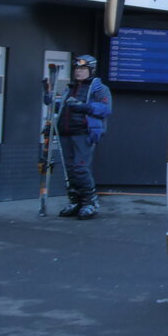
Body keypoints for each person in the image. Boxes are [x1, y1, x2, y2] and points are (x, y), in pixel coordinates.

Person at [44, 55, 112, 219]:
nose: (79, 72)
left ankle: (90, 202)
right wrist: (49, 99)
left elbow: (105, 109)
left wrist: (84, 106)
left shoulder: (98, 88)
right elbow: (62, 107)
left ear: (91, 70)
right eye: (77, 69)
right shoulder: (70, 88)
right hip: (66, 132)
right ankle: (75, 200)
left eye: (83, 69)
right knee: (70, 170)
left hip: (84, 133)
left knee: (80, 168)